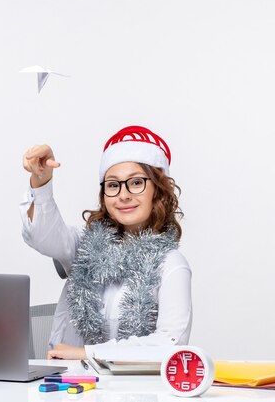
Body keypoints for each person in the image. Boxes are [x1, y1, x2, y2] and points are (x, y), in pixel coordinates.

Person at [20, 125, 192, 360]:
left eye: (136, 182)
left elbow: (170, 343)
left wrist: (87, 354)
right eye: (113, 185)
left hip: (134, 390)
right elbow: (42, 235)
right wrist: (41, 180)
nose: (123, 195)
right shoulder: (85, 246)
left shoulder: (171, 264)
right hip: (71, 386)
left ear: (158, 192)